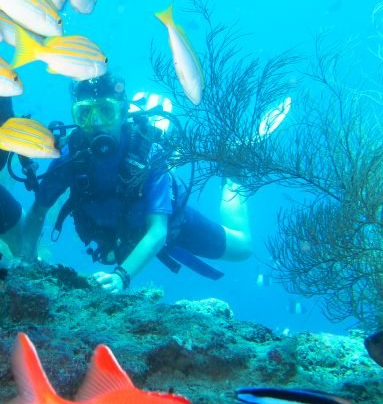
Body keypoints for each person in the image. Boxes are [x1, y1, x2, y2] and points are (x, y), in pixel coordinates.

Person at [18, 73, 252, 294]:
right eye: (85, 114)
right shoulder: (69, 156)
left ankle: (233, 172)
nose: (96, 122)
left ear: (123, 112)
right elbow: (38, 211)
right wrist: (26, 259)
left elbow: (158, 231)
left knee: (242, 248)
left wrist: (121, 277)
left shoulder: (150, 154)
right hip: (112, 234)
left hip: (169, 225)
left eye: (106, 111)